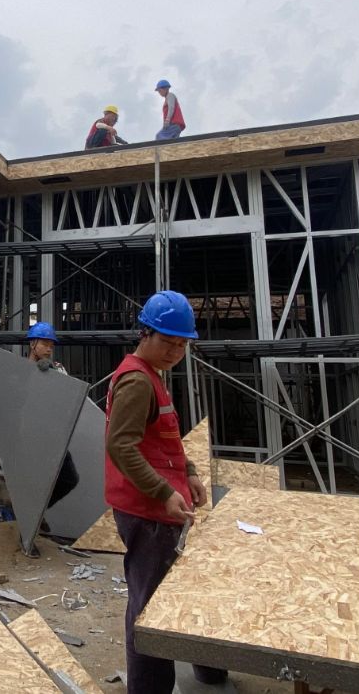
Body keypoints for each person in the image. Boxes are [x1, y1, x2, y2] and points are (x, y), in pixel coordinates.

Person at [104, 290, 227, 694]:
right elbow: (121, 446)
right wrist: (162, 492)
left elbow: (162, 439)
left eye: (182, 344)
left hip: (160, 508)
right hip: (149, 513)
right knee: (149, 609)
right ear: (145, 333)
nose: (176, 351)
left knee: (173, 594)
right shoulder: (138, 381)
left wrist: (188, 472)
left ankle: (209, 670)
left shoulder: (152, 375)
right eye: (169, 342)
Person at [26, 322, 81, 518]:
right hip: (31, 437)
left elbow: (69, 394)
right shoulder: (20, 371)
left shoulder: (57, 368)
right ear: (33, 344)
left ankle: (36, 514)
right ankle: (29, 521)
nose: (49, 349)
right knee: (34, 482)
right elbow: (13, 399)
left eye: (51, 345)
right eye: (45, 344)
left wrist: (52, 375)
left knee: (69, 479)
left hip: (54, 435)